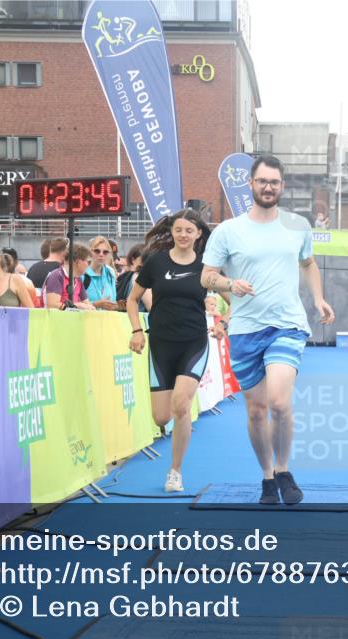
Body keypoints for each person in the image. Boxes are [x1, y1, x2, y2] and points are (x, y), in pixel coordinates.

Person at [201, 155, 335, 505]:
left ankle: (284, 468)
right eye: (262, 181)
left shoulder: (296, 225)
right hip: (245, 330)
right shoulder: (227, 231)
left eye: (274, 182)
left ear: (282, 186)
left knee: (278, 401)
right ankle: (266, 477)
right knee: (256, 410)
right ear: (251, 184)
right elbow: (207, 277)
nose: (268, 187)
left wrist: (319, 299)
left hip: (287, 325)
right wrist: (230, 285)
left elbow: (308, 263)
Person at [127, 210, 213, 493]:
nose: (184, 235)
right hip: (161, 344)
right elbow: (133, 299)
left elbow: (229, 294)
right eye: (179, 230)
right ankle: (172, 447)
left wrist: (226, 319)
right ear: (172, 232)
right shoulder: (156, 262)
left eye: (189, 230)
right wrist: (137, 331)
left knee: (181, 405)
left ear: (198, 234)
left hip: (194, 343)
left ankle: (175, 472)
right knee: (161, 417)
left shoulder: (206, 267)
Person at [43, 243, 95, 310]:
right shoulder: (56, 276)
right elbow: (52, 305)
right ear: (78, 262)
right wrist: (76, 306)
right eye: (89, 262)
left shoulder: (78, 280)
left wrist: (78, 306)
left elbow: (88, 305)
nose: (89, 266)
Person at [84, 236, 119, 311]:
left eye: (105, 252)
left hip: (107, 320)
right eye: (97, 251)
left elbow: (113, 300)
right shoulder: (82, 273)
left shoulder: (110, 272)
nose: (101, 254)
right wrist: (96, 304)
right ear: (90, 252)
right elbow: (74, 304)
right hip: (87, 320)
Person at [116, 243, 152, 312]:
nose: (147, 261)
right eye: (144, 258)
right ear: (133, 259)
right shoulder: (139, 277)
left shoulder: (123, 277)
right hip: (139, 320)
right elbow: (151, 306)